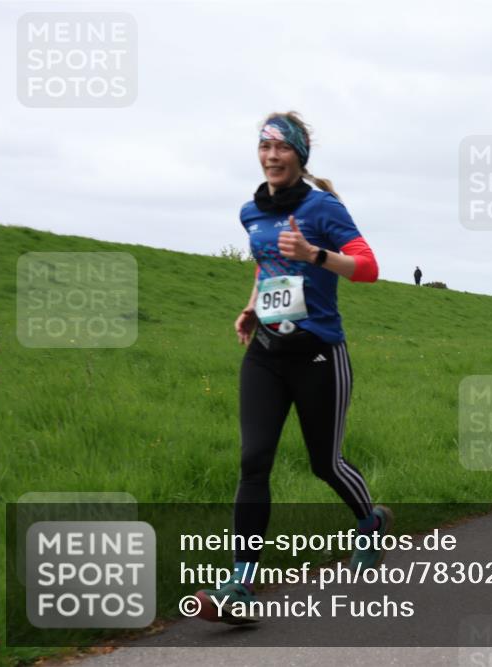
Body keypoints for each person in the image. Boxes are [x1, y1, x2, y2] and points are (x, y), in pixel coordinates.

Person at [196, 112, 391, 624]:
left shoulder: (323, 208)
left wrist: (315, 253)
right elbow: (268, 264)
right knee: (254, 460)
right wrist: (252, 306)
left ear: (300, 156)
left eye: (282, 149)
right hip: (266, 351)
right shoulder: (251, 211)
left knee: (324, 463)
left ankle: (370, 523)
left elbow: (368, 268)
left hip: (319, 352)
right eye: (264, 148)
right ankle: (241, 581)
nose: (271, 157)